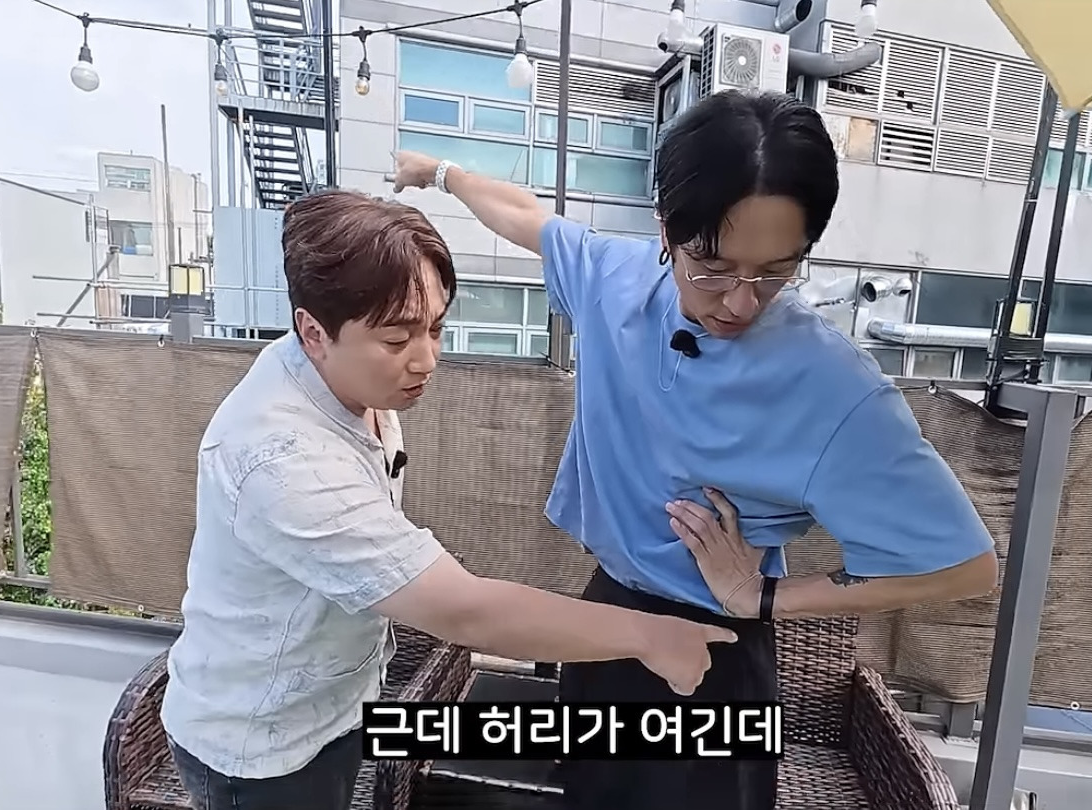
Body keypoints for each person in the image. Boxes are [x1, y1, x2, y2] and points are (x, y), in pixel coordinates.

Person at [392, 89, 1000, 810]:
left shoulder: (833, 387)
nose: (740, 300)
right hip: (604, 623)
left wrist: (765, 596)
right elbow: (525, 217)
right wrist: (441, 174)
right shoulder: (617, 277)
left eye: (775, 270)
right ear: (666, 231)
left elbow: (961, 565)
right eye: (712, 265)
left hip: (714, 655)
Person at [159, 191, 739, 810]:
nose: (427, 359)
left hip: (333, 701)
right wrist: (650, 636)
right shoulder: (281, 459)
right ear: (313, 332)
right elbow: (464, 612)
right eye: (396, 339)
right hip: (260, 748)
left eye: (434, 327)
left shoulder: (343, 375)